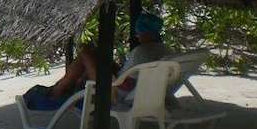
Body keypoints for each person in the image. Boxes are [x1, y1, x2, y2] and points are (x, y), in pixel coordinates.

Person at [24, 11, 170, 110]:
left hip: (115, 91)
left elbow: (125, 82)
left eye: (139, 32)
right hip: (133, 87)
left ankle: (58, 90)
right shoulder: (165, 50)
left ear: (145, 32)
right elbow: (131, 74)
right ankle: (62, 87)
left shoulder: (141, 52)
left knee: (85, 52)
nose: (137, 36)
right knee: (93, 53)